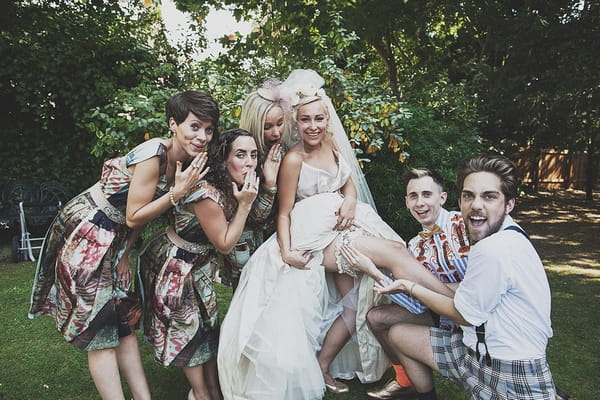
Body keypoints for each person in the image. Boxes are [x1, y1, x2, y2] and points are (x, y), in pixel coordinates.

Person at [217, 69, 455, 399]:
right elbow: (283, 212)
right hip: (316, 233)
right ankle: (453, 306)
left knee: (356, 303)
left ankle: (324, 364)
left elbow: (348, 182)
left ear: (327, 119)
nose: (313, 125)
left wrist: (351, 200)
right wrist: (286, 252)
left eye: (319, 118)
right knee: (394, 253)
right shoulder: (292, 160)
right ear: (296, 122)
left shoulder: (330, 144)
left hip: (343, 220)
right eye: (305, 120)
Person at [28, 90, 220, 400]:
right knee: (99, 328)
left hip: (113, 236)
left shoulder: (184, 161)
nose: (202, 136)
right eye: (194, 126)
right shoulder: (153, 155)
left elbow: (138, 216)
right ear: (174, 124)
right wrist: (177, 194)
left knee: (122, 318)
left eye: (208, 129)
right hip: (87, 230)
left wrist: (125, 254)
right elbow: (133, 215)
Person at [343, 154, 558, 400]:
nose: (476, 205)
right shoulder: (416, 246)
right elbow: (423, 304)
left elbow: (466, 310)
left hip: (500, 354)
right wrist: (375, 271)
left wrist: (415, 284)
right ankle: (415, 389)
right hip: (468, 337)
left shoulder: (476, 232)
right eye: (469, 195)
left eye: (489, 196)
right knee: (384, 322)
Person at [138, 129, 260, 400]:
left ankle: (213, 391)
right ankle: (201, 394)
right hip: (174, 265)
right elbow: (225, 244)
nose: (250, 162)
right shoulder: (207, 194)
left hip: (198, 262)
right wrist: (245, 206)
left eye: (253, 155)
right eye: (241, 155)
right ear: (224, 159)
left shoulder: (230, 186)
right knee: (188, 331)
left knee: (206, 328)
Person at [364, 168, 470, 399]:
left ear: (442, 198)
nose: (420, 202)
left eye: (426, 194)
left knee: (398, 328)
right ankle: (408, 383)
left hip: (474, 313)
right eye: (413, 196)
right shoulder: (414, 246)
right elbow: (417, 304)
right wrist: (374, 272)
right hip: (440, 313)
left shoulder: (465, 226)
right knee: (376, 317)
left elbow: (481, 282)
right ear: (406, 202)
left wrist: (444, 292)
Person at [218, 79, 296, 291]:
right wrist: (270, 184)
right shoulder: (243, 157)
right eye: (267, 127)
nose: (276, 133)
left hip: (278, 243)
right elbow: (254, 217)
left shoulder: (285, 151)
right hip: (246, 248)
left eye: (280, 123)